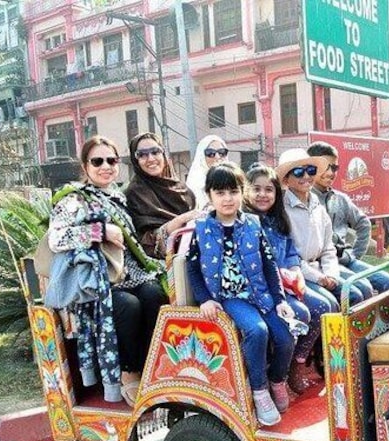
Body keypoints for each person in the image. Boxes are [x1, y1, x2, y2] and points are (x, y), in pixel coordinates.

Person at [48, 135, 169, 407]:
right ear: (85, 165)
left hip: (132, 274)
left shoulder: (119, 197)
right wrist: (99, 231)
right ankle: (128, 372)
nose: (106, 166)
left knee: (154, 295)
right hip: (98, 282)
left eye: (111, 160)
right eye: (98, 161)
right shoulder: (74, 199)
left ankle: (152, 366)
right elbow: (56, 239)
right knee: (128, 305)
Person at [186, 163, 296, 426]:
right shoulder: (201, 229)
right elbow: (192, 266)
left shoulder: (253, 224)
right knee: (257, 331)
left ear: (241, 193)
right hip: (230, 297)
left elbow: (269, 264)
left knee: (286, 335)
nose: (227, 198)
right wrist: (205, 298)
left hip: (259, 292)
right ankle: (259, 391)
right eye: (220, 192)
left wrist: (280, 299)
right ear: (209, 195)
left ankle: (277, 380)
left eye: (233, 192)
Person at [243, 164, 337, 393]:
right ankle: (289, 370)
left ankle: (304, 362)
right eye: (257, 189)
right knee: (313, 309)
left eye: (269, 190)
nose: (263, 195)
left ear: (277, 193)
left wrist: (295, 271)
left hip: (288, 280)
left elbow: (291, 251)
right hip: (265, 285)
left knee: (331, 304)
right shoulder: (246, 221)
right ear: (246, 191)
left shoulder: (278, 220)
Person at [279, 148, 373, 309]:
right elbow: (290, 257)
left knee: (359, 292)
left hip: (323, 267)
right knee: (327, 305)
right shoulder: (282, 210)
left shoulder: (317, 205)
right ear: (286, 180)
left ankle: (354, 335)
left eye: (310, 170)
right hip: (297, 272)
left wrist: (331, 275)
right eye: (298, 172)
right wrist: (319, 278)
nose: (306, 176)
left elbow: (328, 248)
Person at [307, 141, 389, 294]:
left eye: (334, 167)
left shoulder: (340, 198)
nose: (330, 173)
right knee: (361, 290)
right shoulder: (304, 199)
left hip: (346, 259)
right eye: (325, 167)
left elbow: (363, 223)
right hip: (321, 265)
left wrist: (355, 254)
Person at [125, 132, 200, 259]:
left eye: (155, 151)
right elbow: (141, 243)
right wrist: (179, 221)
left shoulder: (182, 189)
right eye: (142, 154)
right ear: (135, 160)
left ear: (163, 154)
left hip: (194, 259)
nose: (150, 158)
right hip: (162, 269)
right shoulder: (134, 194)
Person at [186, 135, 230, 208]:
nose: (217, 157)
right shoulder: (194, 186)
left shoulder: (233, 180)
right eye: (210, 153)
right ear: (201, 156)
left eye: (222, 152)